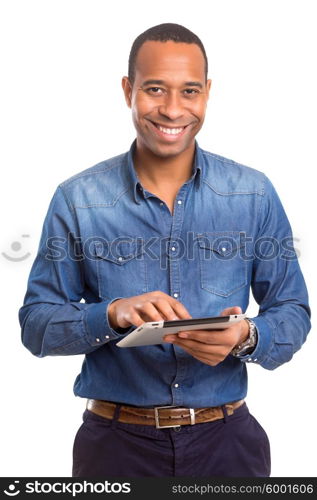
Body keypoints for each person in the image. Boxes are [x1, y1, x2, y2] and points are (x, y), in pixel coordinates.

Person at [19, 23, 311, 478]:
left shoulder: (253, 194)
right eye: (155, 89)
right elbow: (36, 325)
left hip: (229, 445)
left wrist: (246, 336)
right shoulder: (78, 199)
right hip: (114, 448)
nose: (173, 109)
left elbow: (292, 309)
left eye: (189, 91)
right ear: (127, 90)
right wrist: (111, 314)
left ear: (207, 93)